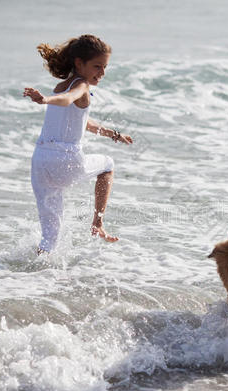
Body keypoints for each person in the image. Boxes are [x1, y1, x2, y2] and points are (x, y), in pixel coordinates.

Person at [23, 34, 132, 254]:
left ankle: (31, 277)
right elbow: (67, 100)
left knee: (50, 238)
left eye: (105, 67)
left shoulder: (60, 85)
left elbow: (81, 120)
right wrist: (44, 100)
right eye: (97, 66)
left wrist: (113, 134)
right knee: (108, 164)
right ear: (79, 63)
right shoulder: (80, 86)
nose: (102, 73)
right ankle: (98, 223)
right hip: (65, 160)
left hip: (40, 161)